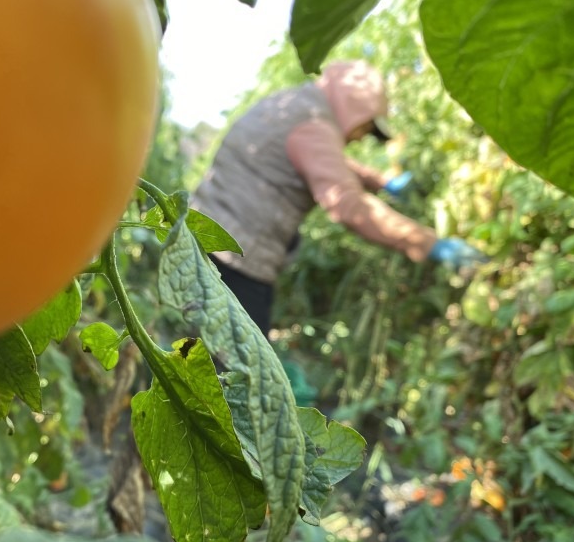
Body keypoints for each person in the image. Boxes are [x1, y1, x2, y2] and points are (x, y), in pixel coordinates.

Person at [191, 60, 486, 336]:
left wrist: (382, 183)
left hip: (209, 242)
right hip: (231, 261)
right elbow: (348, 205)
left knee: (205, 358)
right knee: (236, 373)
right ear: (354, 107)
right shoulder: (313, 125)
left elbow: (329, 162)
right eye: (367, 127)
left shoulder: (300, 107)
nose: (360, 138)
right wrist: (428, 242)